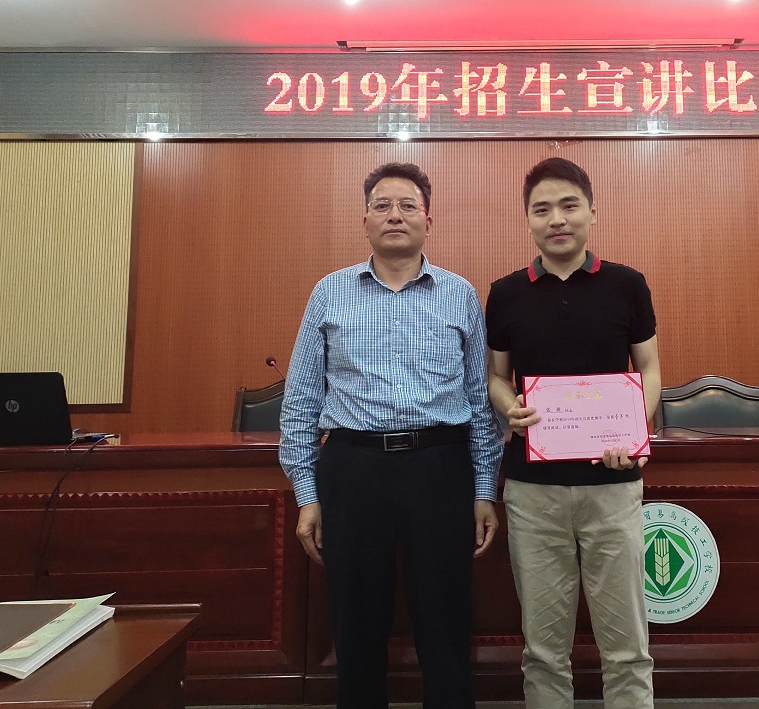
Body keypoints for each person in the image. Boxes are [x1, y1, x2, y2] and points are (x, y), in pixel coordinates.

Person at [279, 161, 503, 709]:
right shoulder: (330, 292)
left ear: (429, 219)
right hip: (354, 470)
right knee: (356, 627)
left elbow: (480, 403)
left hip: (439, 468)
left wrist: (483, 490)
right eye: (382, 206)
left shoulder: (459, 294)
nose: (395, 215)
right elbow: (301, 401)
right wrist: (307, 495)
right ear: (365, 220)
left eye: (408, 205)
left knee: (446, 625)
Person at [486, 157, 661, 709]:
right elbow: (496, 377)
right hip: (533, 491)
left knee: (627, 649)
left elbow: (649, 369)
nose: (556, 219)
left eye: (569, 206)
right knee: (543, 651)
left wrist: (635, 432)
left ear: (591, 212)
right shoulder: (506, 293)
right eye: (542, 210)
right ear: (528, 220)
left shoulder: (627, 285)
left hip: (612, 488)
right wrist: (509, 407)